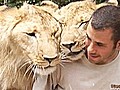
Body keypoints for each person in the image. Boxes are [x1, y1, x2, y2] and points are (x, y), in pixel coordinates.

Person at [33, 5, 120, 90]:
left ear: (118, 45)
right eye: (88, 38)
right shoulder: (61, 61)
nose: (90, 49)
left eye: (99, 44)